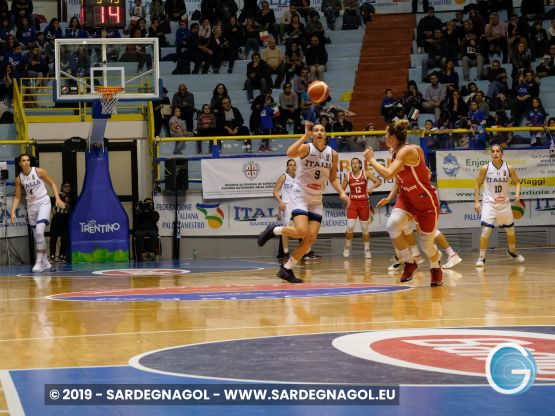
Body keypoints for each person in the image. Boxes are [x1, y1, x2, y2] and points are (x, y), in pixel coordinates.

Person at [258, 122, 350, 283]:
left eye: (322, 130)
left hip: (316, 198)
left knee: (310, 237)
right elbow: (289, 153)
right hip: (300, 194)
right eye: (316, 130)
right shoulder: (306, 148)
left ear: (326, 134)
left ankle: (286, 269)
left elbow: (333, 178)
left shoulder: (333, 154)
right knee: (301, 230)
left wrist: (342, 192)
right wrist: (304, 136)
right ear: (312, 134)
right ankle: (274, 229)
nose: (319, 132)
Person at [363, 119, 443, 286]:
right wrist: (391, 197)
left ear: (392, 137)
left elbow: (389, 174)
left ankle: (436, 266)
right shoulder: (394, 150)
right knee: (392, 225)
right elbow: (399, 179)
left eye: (386, 133)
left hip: (425, 201)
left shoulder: (408, 151)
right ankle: (409, 262)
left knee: (427, 246)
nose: (384, 136)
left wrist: (371, 159)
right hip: (407, 198)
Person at [378, 179, 462, 270]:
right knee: (403, 227)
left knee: (424, 229)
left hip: (422, 195)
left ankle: (450, 254)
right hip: (413, 195)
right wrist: (389, 198)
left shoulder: (412, 167)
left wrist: (374, 164)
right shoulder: (401, 173)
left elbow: (425, 173)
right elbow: (397, 182)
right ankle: (411, 256)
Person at [11, 154, 66, 272]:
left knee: (40, 231)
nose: (26, 162)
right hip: (31, 206)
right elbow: (17, 197)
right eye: (23, 161)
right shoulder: (19, 178)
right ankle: (45, 261)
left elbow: (52, 183)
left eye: (28, 160)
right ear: (20, 163)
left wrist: (57, 198)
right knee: (38, 236)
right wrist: (12, 211)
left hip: (43, 202)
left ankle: (39, 261)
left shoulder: (38, 171)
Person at [474, 144, 524, 267]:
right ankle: (481, 258)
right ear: (491, 153)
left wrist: (517, 195)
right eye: (493, 151)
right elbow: (477, 184)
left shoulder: (509, 167)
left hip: (504, 204)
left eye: (497, 151)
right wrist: (476, 202)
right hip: (489, 203)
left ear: (502, 153)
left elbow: (517, 182)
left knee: (510, 230)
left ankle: (512, 251)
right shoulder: (485, 168)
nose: (495, 153)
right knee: (486, 230)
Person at [342, 157, 381, 259]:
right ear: (351, 165)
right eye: (353, 163)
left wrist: (372, 188)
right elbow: (341, 190)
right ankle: (347, 246)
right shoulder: (348, 176)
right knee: (350, 226)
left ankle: (367, 249)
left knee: (364, 228)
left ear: (360, 165)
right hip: (353, 204)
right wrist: (346, 199)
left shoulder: (365, 174)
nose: (355, 164)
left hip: (364, 203)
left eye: (356, 163)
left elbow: (378, 181)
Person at [273, 159, 296, 261]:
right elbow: (275, 191)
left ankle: (306, 252)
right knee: (286, 230)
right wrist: (281, 203)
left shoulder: (298, 178)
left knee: (302, 229)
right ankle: (286, 253)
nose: (293, 167)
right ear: (287, 167)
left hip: (297, 206)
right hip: (286, 205)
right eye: (290, 165)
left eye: (294, 165)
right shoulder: (284, 177)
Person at [49, 181, 73, 263]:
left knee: (64, 239)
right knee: (53, 239)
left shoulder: (71, 198)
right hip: (56, 222)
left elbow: (69, 210)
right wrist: (53, 208)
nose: (67, 188)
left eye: (69, 186)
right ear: (62, 188)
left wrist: (67, 202)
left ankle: (61, 256)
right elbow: (53, 210)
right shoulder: (57, 197)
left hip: (64, 222)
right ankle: (52, 256)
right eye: (66, 186)